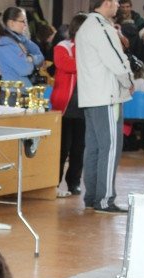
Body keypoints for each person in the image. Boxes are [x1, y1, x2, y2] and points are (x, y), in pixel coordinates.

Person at [76, 0, 134, 213]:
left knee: (94, 148)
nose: (118, 5)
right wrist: (129, 82)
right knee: (110, 149)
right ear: (107, 2)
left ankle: (92, 197)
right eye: (117, 1)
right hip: (107, 96)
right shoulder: (102, 27)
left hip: (92, 97)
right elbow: (117, 61)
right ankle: (105, 200)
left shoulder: (85, 26)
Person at [50, 12, 88, 197]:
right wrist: (89, 60)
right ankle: (54, 182)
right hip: (64, 106)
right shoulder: (62, 46)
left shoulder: (91, 49)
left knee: (79, 149)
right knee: (62, 148)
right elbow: (66, 65)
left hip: (84, 106)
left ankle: (74, 182)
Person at [0, 7, 45, 92]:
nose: (25, 25)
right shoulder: (6, 44)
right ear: (11, 23)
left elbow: (40, 56)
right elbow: (25, 69)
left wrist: (31, 58)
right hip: (13, 93)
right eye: (22, 21)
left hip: (23, 91)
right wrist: (33, 61)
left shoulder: (20, 40)